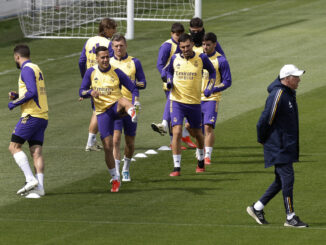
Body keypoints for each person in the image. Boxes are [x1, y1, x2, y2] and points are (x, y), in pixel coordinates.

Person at [246, 64, 308, 228]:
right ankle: (290, 217)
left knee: (281, 181)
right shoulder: (279, 94)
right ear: (287, 79)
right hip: (278, 145)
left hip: (284, 144)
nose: (299, 80)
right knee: (288, 178)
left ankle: (257, 207)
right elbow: (265, 119)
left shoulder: (288, 93)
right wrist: (262, 138)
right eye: (296, 77)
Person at [79, 46, 139, 192]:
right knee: (107, 147)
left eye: (107, 57)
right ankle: (115, 178)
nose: (105, 60)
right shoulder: (91, 72)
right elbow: (81, 91)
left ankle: (132, 111)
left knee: (121, 100)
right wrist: (90, 92)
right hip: (102, 112)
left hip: (116, 107)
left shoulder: (117, 72)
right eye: (102, 57)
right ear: (97, 58)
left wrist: (136, 100)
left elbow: (133, 87)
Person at [165, 33, 216, 176]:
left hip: (194, 103)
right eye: (182, 47)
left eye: (187, 46)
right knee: (176, 132)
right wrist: (169, 81)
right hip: (177, 102)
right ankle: (176, 168)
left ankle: (200, 160)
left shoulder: (201, 58)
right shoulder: (175, 58)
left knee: (199, 134)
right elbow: (168, 72)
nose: (185, 49)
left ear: (192, 44)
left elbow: (212, 73)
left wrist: (209, 88)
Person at [8, 44, 48, 198]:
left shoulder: (26, 69)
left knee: (14, 147)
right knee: (36, 151)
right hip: (42, 116)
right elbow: (33, 91)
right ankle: (40, 188)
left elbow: (31, 92)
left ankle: (30, 179)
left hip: (31, 116)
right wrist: (17, 95)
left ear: (17, 57)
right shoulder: (36, 68)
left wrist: (14, 103)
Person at [151, 22, 197, 149]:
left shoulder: (185, 45)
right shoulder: (167, 46)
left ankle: (182, 136)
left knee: (182, 108)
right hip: (171, 82)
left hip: (185, 81)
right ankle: (174, 140)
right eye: (177, 35)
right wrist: (166, 78)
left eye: (181, 34)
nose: (179, 37)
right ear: (172, 34)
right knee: (174, 108)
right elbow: (160, 65)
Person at [110, 34, 146, 182]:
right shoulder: (108, 63)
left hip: (131, 107)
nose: (119, 48)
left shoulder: (134, 62)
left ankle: (126, 169)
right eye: (116, 46)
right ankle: (117, 172)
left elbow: (143, 82)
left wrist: (132, 84)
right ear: (112, 47)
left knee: (130, 142)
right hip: (115, 106)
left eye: (121, 45)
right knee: (116, 139)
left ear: (126, 46)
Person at [79, 18, 117, 152]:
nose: (115, 31)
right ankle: (90, 142)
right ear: (106, 29)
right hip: (103, 80)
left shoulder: (89, 41)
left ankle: (94, 140)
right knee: (98, 110)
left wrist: (85, 78)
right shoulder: (108, 43)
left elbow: (81, 61)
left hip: (91, 78)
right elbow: (112, 63)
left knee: (97, 109)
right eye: (113, 28)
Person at [201, 32, 232, 165]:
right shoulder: (197, 58)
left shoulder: (221, 60)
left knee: (208, 127)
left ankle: (207, 156)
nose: (205, 47)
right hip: (194, 99)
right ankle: (200, 147)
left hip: (211, 98)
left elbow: (227, 81)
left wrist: (213, 89)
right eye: (203, 44)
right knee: (190, 126)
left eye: (208, 45)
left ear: (214, 44)